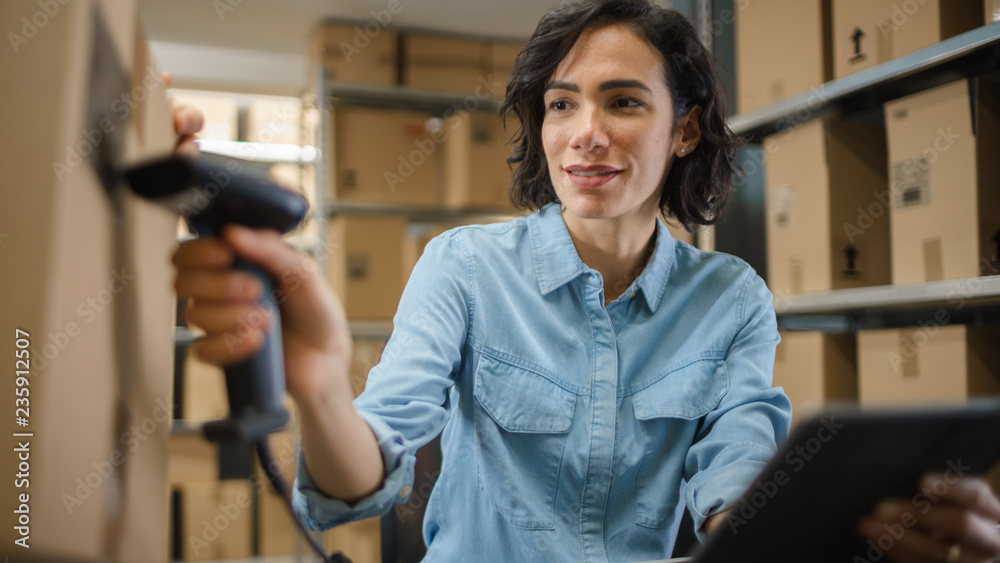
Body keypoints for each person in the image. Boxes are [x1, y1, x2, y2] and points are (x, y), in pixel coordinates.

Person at [170, 1, 1000, 561]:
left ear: (685, 129)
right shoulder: (463, 266)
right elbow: (358, 481)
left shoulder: (732, 298)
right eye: (561, 104)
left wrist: (850, 526)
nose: (585, 134)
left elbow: (733, 487)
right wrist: (319, 387)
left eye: (624, 103)